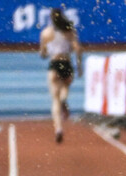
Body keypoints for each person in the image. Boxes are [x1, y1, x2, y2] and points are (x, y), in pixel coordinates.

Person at [40, 9, 81, 144]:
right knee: (65, 88)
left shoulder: (46, 33)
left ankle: (58, 129)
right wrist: (79, 66)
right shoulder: (69, 31)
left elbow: (43, 54)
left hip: (54, 64)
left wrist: (46, 50)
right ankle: (64, 100)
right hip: (66, 63)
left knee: (54, 100)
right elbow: (78, 48)